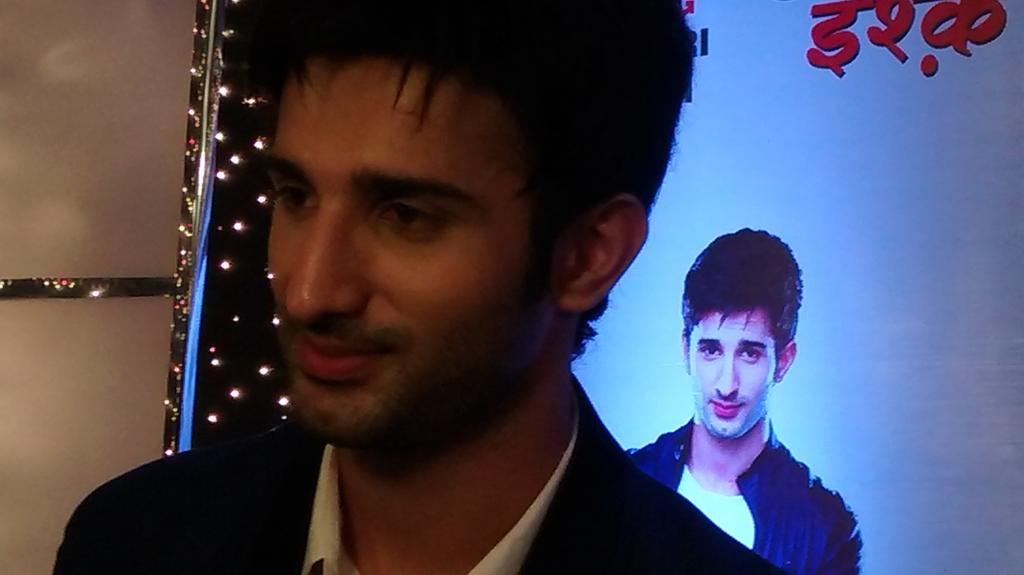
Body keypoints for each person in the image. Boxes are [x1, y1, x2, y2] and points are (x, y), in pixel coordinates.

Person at [54, 2, 782, 574]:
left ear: (590, 255)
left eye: (405, 215)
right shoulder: (135, 542)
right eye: (296, 196)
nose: (309, 290)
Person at [631, 229, 862, 574]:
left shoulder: (825, 529)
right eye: (711, 350)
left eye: (749, 353)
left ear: (783, 362)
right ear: (686, 349)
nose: (727, 384)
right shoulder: (624, 483)